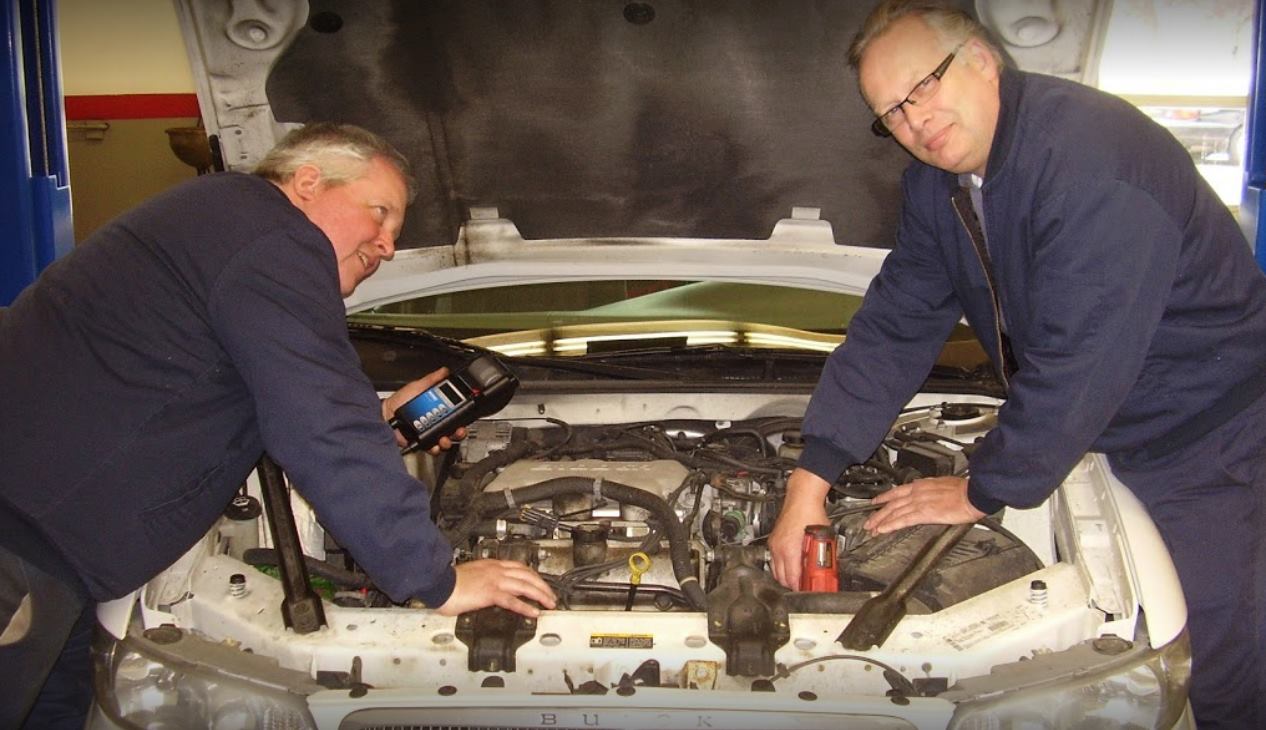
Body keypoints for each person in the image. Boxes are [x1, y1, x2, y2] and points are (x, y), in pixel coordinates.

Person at [767, 2, 1266, 728]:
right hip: (1112, 427)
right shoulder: (939, 186)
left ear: (981, 58)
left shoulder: (1093, 159)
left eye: (923, 86)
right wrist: (811, 478)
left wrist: (982, 489)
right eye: (891, 113)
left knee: (1217, 660)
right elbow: (898, 322)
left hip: (1207, 441)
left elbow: (1080, 357)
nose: (915, 121)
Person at [0, 122, 556, 728]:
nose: (388, 246)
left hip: (58, 546)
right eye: (380, 214)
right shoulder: (271, 236)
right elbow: (320, 417)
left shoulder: (227, 227)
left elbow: (274, 403)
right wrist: (436, 580)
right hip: (24, 537)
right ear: (308, 182)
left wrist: (381, 425)